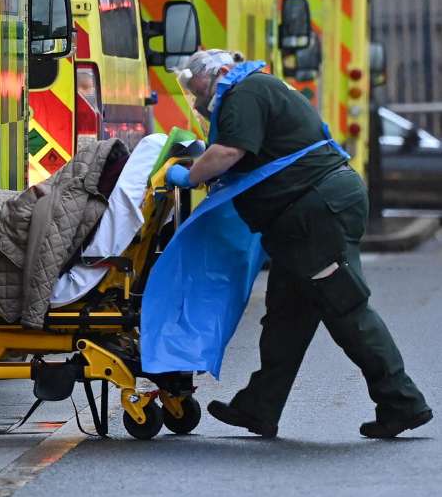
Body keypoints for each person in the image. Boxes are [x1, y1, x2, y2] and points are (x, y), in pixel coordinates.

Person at [164, 49, 431, 439]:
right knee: (286, 316)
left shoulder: (244, 91)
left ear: (219, 71)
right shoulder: (254, 90)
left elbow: (228, 152)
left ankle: (402, 401)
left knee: (346, 308)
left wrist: (188, 177)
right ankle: (260, 407)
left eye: (196, 84)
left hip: (314, 213)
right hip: (301, 218)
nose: (196, 95)